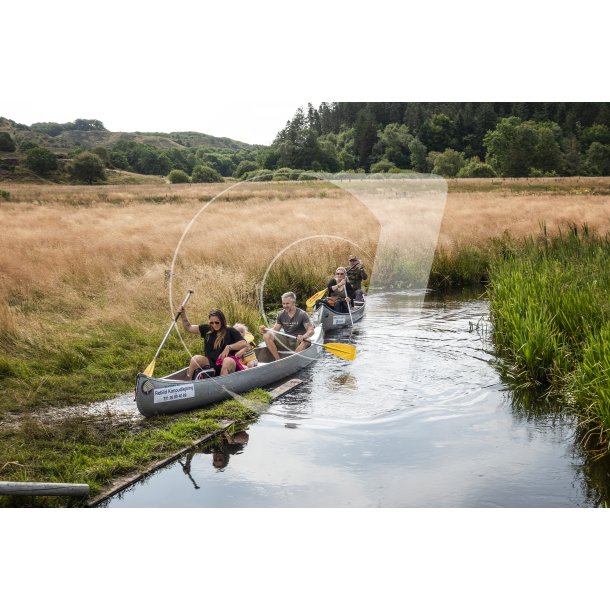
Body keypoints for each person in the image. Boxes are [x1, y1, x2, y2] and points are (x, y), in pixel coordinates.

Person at [178, 306, 248, 380]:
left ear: (222, 321)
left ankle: (222, 387)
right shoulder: (206, 329)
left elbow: (243, 343)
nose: (214, 325)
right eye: (212, 322)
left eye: (217, 322)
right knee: (195, 359)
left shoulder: (230, 330)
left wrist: (229, 347)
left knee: (227, 360)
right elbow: (189, 327)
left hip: (227, 364)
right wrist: (183, 315)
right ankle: (190, 385)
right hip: (211, 363)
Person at [259, 291, 315, 361]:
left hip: (299, 341)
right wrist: (266, 330)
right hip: (287, 341)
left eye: (287, 303)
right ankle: (278, 360)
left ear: (294, 302)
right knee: (267, 335)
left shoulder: (302, 314)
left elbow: (311, 330)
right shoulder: (281, 314)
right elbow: (275, 330)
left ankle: (293, 360)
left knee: (306, 340)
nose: (285, 306)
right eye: (283, 303)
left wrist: (304, 336)